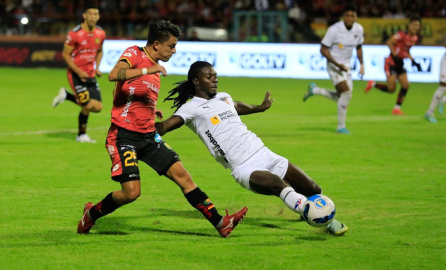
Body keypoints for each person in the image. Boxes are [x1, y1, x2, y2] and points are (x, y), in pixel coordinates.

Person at [77, 20, 247, 238]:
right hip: (123, 137)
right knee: (131, 193)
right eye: (171, 46)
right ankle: (90, 214)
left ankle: (221, 223)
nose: (174, 51)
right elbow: (113, 75)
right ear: (156, 44)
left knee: (183, 176)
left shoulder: (155, 72)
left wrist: (149, 109)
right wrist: (148, 68)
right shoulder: (136, 55)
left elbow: (122, 94)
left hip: (149, 136)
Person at [156, 61, 348, 236]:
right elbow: (164, 126)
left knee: (314, 188)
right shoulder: (191, 109)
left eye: (215, 76)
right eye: (209, 77)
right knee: (279, 186)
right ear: (196, 81)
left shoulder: (224, 97)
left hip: (264, 153)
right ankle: (324, 220)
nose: (214, 80)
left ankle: (307, 210)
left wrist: (259, 107)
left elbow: (236, 106)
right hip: (244, 167)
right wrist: (138, 122)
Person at [302, 4, 364, 135]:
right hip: (334, 66)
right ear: (343, 17)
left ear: (356, 17)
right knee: (346, 94)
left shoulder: (359, 29)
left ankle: (315, 90)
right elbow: (323, 49)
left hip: (346, 67)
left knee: (343, 97)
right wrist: (337, 64)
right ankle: (341, 126)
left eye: (352, 15)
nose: (350, 18)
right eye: (347, 15)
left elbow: (359, 47)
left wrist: (362, 65)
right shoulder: (334, 30)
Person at [51, 6, 105, 143]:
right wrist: (78, 71)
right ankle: (81, 135)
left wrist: (97, 67)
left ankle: (67, 96)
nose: (93, 16)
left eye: (96, 14)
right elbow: (65, 54)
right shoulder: (75, 33)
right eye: (91, 14)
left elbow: (99, 51)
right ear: (85, 16)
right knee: (86, 105)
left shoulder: (100, 33)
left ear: (98, 17)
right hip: (76, 74)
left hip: (90, 73)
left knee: (97, 107)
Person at [364, 16, 422, 115]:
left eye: (417, 26)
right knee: (391, 89)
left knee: (406, 85)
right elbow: (389, 42)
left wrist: (414, 61)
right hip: (391, 63)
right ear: (409, 25)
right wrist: (395, 56)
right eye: (413, 25)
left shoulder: (414, 38)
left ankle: (396, 109)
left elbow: (406, 50)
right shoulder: (401, 35)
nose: (415, 27)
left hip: (400, 64)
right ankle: (373, 84)